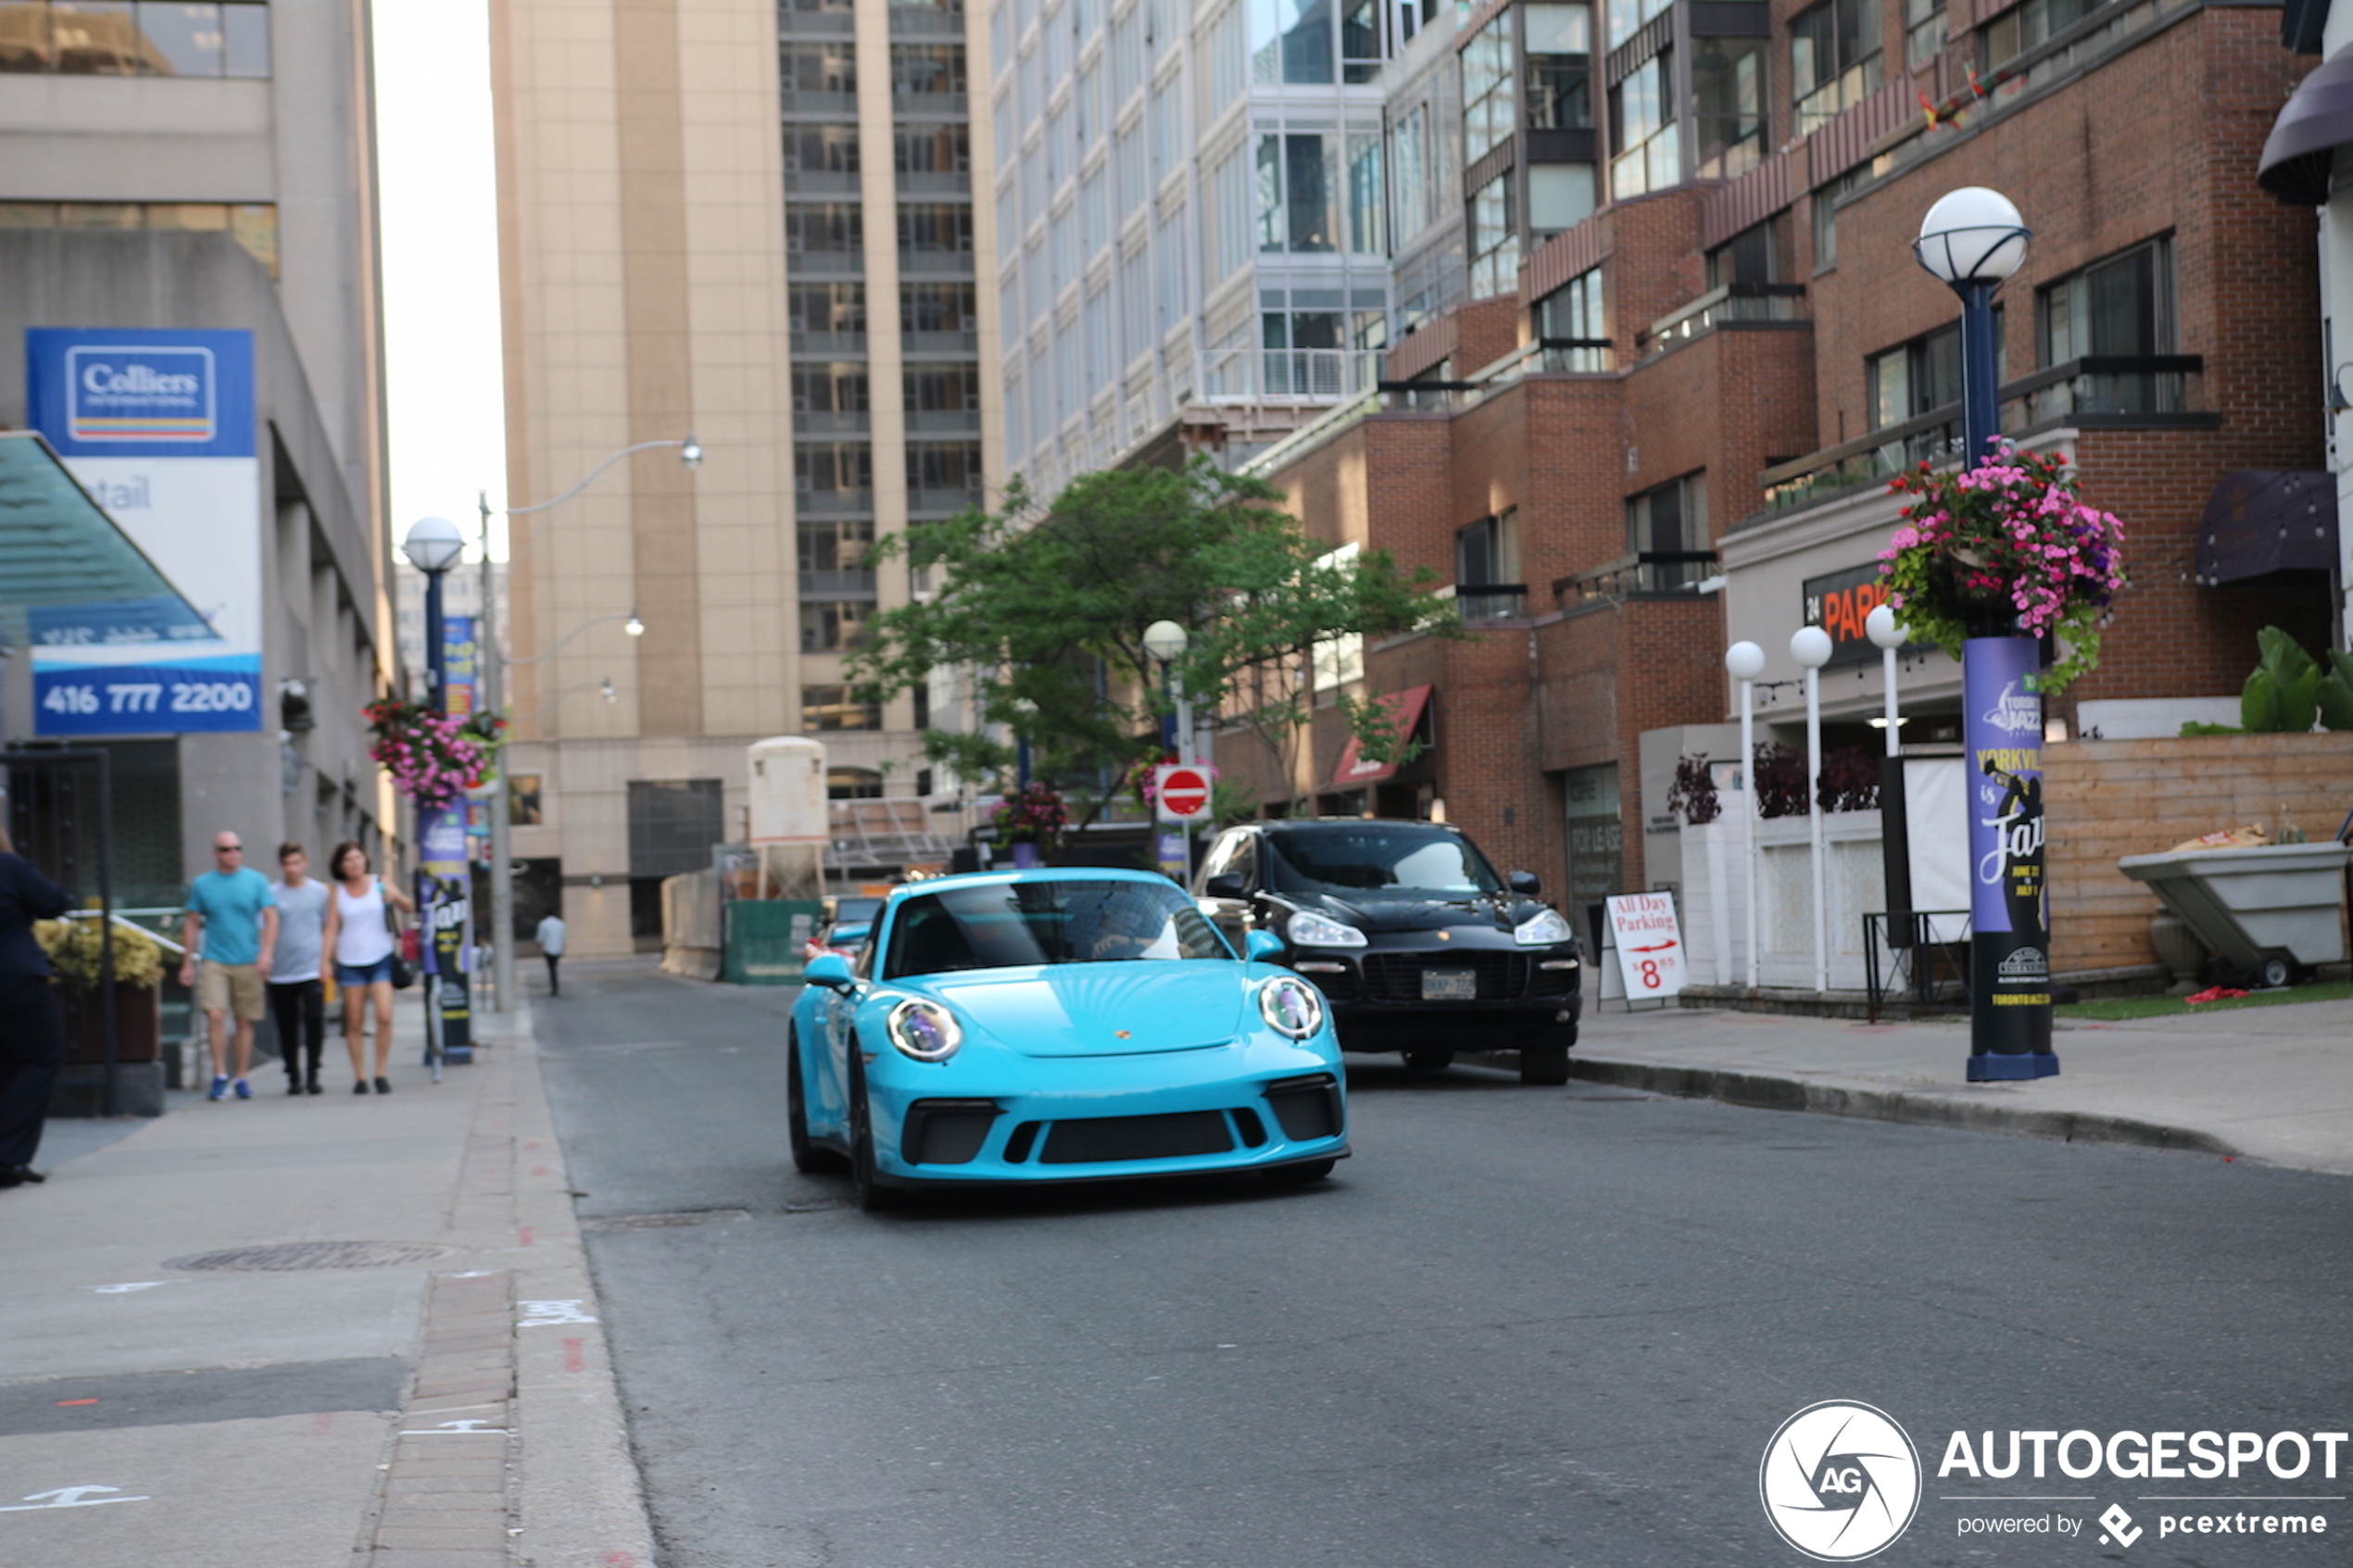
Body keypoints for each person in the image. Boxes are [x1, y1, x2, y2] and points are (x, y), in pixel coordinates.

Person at [180, 832, 279, 1101]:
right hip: (215, 959)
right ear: (216, 853)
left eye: (237, 848)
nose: (232, 853)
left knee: (245, 1021)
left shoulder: (256, 880)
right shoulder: (203, 884)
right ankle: (221, 1074)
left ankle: (242, 1077)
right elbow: (191, 921)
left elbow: (271, 916)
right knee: (214, 1015)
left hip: (248, 958)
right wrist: (187, 962)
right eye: (225, 849)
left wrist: (266, 953)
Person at [0, 825, 71, 1188]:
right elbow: (56, 902)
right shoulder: (9, 866)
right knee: (39, 1059)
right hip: (15, 976)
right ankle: (9, 1156)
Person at [320, 841, 413, 1095]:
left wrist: (397, 898)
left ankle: (381, 1072)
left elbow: (408, 907)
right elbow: (330, 929)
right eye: (348, 860)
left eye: (358, 858)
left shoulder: (380, 882)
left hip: (381, 956)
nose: (354, 864)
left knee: (384, 1015)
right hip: (350, 962)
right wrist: (324, 961)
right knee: (354, 1021)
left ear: (365, 860)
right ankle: (360, 1077)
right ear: (340, 866)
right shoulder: (337, 893)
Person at [267, 842, 331, 1096]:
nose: (292, 869)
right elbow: (264, 928)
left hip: (311, 968)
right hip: (281, 971)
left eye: (296, 863)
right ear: (281, 866)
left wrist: (326, 960)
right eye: (287, 864)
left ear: (304, 862)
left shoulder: (320, 892)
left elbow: (329, 927)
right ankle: (293, 1074)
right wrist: (267, 957)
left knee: (314, 1019)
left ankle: (313, 1072)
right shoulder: (272, 893)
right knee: (287, 1025)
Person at [535, 910, 566, 997]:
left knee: (551, 968)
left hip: (548, 949)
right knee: (554, 967)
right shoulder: (560, 923)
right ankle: (555, 986)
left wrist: (538, 947)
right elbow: (563, 937)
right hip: (558, 948)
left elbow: (540, 937)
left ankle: (554, 987)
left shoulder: (544, 924)